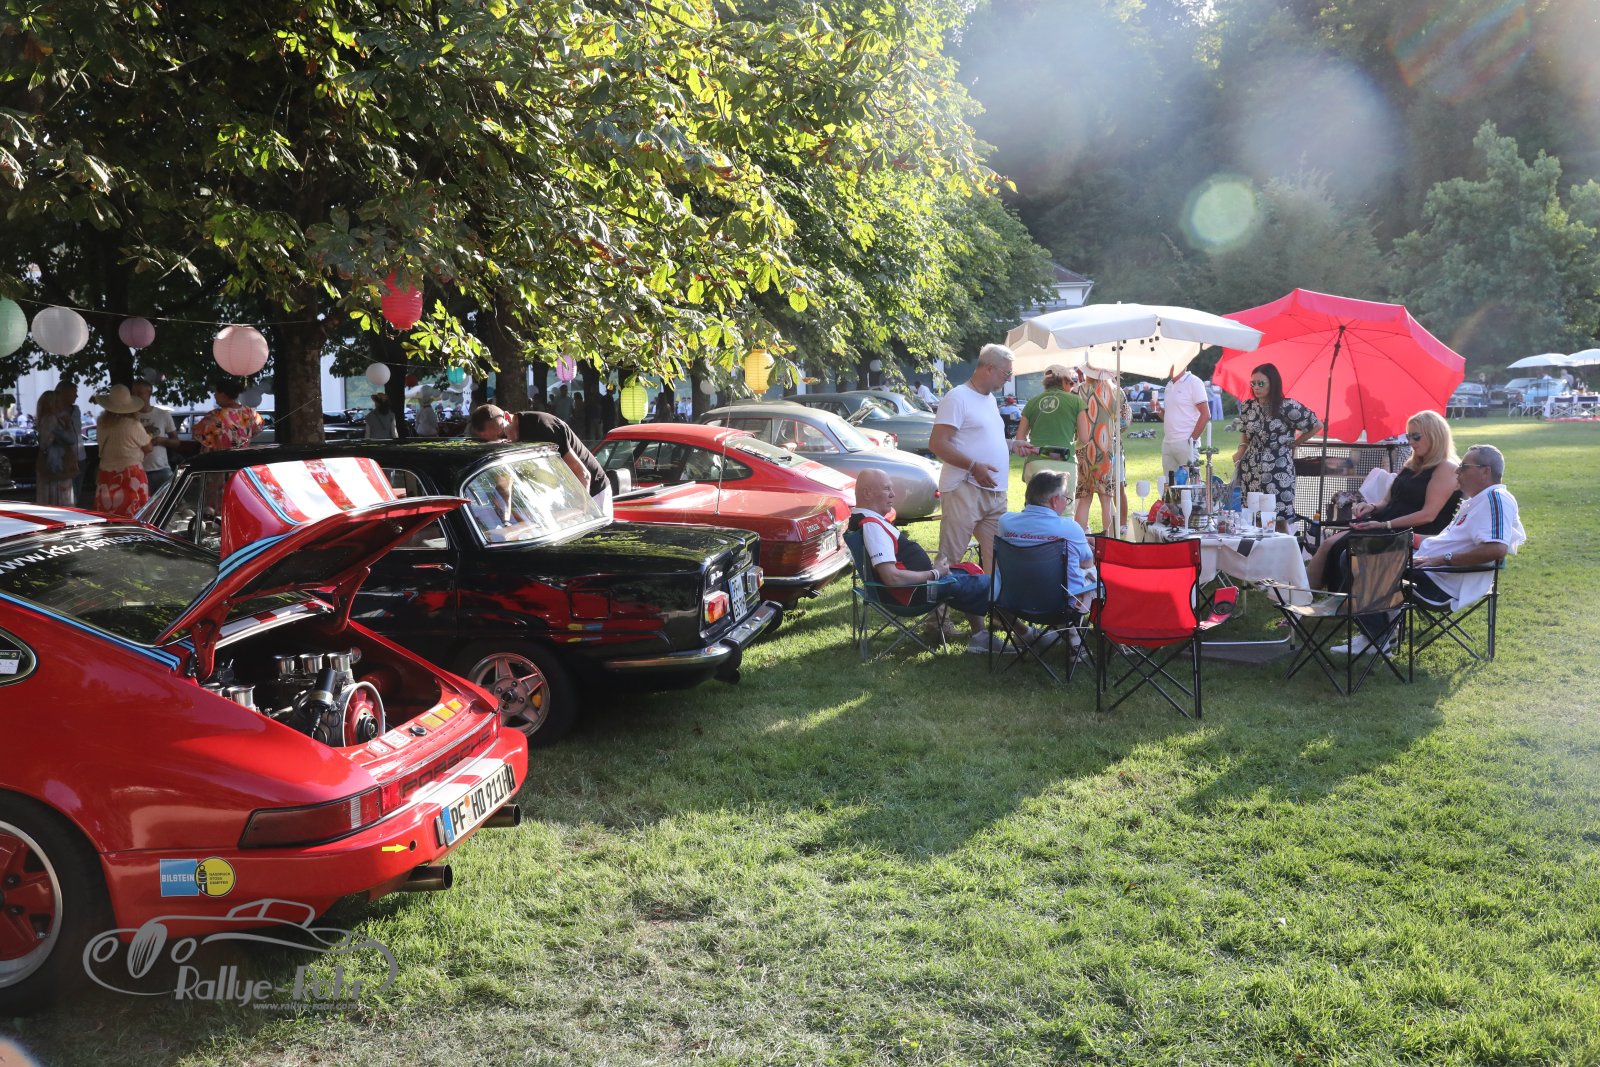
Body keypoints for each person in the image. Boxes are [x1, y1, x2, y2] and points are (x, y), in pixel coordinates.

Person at [1337, 444, 1524, 656]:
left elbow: (1497, 550)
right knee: (1362, 549)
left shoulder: (1496, 499)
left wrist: (1441, 559)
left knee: (1354, 558)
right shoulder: (1477, 501)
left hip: (1442, 580)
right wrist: (1392, 534)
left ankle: (1376, 638)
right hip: (1430, 567)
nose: (1457, 471)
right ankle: (1380, 634)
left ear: (1485, 471)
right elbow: (1447, 540)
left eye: (1464, 466)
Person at [1307, 410, 1460, 590]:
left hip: (1412, 533)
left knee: (1346, 548)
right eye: (1409, 436)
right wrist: (1371, 507)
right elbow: (1387, 501)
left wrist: (1385, 525)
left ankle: (1341, 599)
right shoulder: (1412, 465)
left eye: (1416, 437)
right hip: (1386, 524)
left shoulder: (1446, 468)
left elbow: (1428, 515)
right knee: (1329, 544)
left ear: (1435, 436)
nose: (1411, 442)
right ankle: (1306, 598)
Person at [850, 467, 998, 653]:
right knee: (988, 585)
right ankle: (1022, 633)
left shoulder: (865, 520)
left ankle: (982, 636)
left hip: (914, 588)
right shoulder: (872, 526)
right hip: (913, 593)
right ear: (867, 493)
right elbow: (892, 577)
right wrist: (935, 573)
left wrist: (935, 572)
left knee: (970, 570)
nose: (893, 494)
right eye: (887, 489)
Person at [929, 343, 1037, 573]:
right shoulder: (957, 397)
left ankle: (990, 596)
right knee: (950, 558)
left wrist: (1012, 444)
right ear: (989, 368)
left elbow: (985, 438)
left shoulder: (989, 400)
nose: (1009, 379)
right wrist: (973, 466)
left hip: (995, 493)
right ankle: (938, 598)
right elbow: (937, 443)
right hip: (964, 489)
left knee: (998, 559)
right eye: (1006, 373)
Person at [998, 469, 1097, 636]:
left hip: (1015, 601)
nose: (1067, 503)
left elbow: (1035, 537)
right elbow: (1087, 562)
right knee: (1096, 575)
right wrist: (1078, 543)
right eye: (1066, 498)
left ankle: (1059, 636)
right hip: (1061, 606)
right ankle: (1076, 638)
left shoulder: (1005, 522)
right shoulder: (1070, 528)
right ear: (1054, 500)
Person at [467, 404, 612, 516]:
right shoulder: (509, 440)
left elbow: (583, 475)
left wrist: (581, 515)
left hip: (593, 492)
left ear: (507, 417)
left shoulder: (543, 427)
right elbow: (505, 484)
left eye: (503, 435)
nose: (502, 443)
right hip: (564, 494)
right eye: (493, 443)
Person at [1231, 362, 1322, 531]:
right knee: (1255, 518)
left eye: (1261, 383)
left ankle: (1285, 548)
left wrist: (1295, 443)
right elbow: (1245, 432)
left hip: (1277, 468)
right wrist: (1241, 450)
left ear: (1272, 383)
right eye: (1253, 383)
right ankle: (1259, 548)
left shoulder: (1287, 406)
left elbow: (1316, 425)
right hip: (1251, 469)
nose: (1256, 387)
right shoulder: (1248, 407)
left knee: (1278, 518)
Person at [1073, 365, 1132, 536]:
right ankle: (1110, 541)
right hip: (1107, 451)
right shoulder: (1117, 392)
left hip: (1083, 450)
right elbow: (1124, 424)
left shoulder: (1077, 392)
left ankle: (1079, 541)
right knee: (1106, 500)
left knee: (1084, 499)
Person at [1015, 364, 1087, 500]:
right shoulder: (1076, 402)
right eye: (1071, 383)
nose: (1072, 387)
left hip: (1035, 462)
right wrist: (1071, 447)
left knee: (1036, 507)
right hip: (1065, 460)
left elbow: (1020, 439)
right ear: (1064, 381)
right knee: (1065, 507)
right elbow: (1084, 438)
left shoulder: (1032, 402)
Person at [93, 384, 154, 519]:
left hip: (106, 475)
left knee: (109, 515)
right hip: (131, 475)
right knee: (133, 515)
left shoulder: (102, 424)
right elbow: (148, 448)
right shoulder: (133, 425)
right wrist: (149, 435)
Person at [1161, 363, 1210, 480]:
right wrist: (1158, 411)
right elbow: (1169, 416)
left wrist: (1192, 439)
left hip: (1186, 442)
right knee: (1170, 485)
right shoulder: (1168, 385)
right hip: (1168, 443)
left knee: (1193, 485)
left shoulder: (1194, 382)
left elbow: (1205, 414)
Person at [132, 377, 179, 494]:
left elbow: (176, 442)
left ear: (149, 393)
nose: (135, 396)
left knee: (170, 501)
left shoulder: (163, 414)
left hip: (161, 469)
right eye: (133, 393)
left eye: (139, 393)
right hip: (137, 469)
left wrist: (161, 441)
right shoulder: (129, 416)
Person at [34, 388, 78, 507]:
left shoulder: (44, 419)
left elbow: (44, 443)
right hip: (58, 463)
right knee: (61, 499)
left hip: (49, 463)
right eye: (59, 401)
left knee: (48, 497)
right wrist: (67, 425)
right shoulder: (53, 419)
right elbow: (71, 439)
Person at [195, 379, 264, 452]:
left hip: (218, 457)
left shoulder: (214, 416)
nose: (214, 396)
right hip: (242, 456)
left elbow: (199, 435)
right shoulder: (250, 413)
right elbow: (257, 430)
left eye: (216, 393)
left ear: (223, 395)